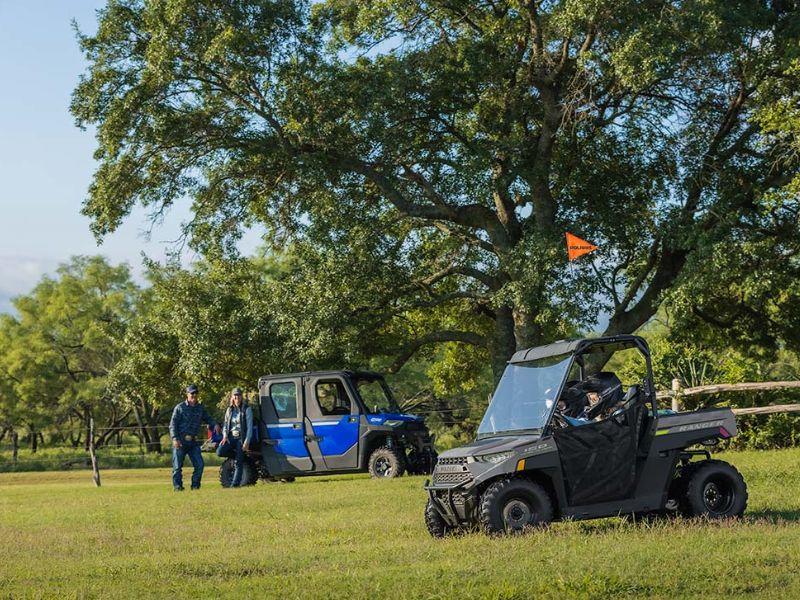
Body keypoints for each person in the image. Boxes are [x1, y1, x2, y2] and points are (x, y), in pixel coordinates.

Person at [169, 384, 220, 491]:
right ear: (187, 394)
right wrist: (174, 438)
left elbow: (208, 419)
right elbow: (172, 425)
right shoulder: (180, 408)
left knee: (200, 465)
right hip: (180, 441)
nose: (194, 395)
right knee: (177, 468)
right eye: (192, 393)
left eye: (196, 393)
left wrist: (214, 424)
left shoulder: (201, 408)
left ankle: (195, 486)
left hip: (193, 442)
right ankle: (178, 487)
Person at [216, 387, 254, 487]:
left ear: (241, 397)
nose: (237, 397)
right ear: (232, 397)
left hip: (241, 438)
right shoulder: (229, 410)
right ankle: (239, 456)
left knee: (238, 463)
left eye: (239, 395)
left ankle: (235, 485)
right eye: (235, 395)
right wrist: (224, 436)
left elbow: (249, 427)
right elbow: (225, 425)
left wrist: (247, 441)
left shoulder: (247, 409)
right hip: (231, 438)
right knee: (220, 451)